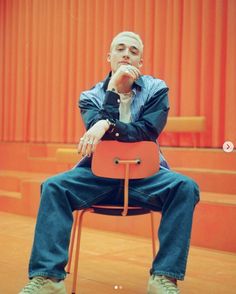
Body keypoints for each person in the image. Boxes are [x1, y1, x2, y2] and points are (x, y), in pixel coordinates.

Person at [19, 31, 199, 294]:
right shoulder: (89, 96)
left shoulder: (157, 89)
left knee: (185, 187)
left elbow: (147, 131)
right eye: (120, 49)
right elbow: (98, 131)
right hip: (97, 178)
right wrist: (113, 90)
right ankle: (48, 278)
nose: (127, 54)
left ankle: (163, 277)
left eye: (134, 51)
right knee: (54, 187)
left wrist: (105, 124)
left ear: (140, 63)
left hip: (146, 178)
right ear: (109, 57)